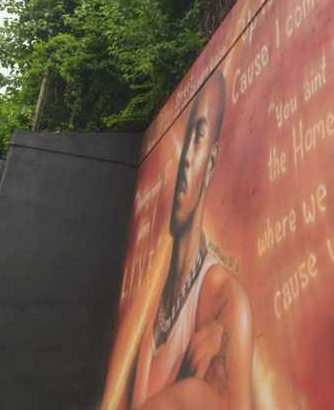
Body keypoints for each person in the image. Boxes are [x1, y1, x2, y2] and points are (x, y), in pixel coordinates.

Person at [101, 71, 253, 410]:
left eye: (198, 138)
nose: (185, 158)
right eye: (185, 139)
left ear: (211, 161)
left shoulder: (225, 300)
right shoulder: (149, 304)